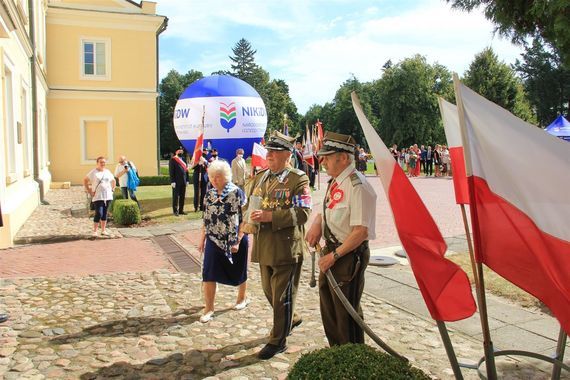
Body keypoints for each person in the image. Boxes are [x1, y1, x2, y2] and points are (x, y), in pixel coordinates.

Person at [244, 130, 311, 360]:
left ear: (286, 154)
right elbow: (251, 204)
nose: (269, 154)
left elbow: (303, 213)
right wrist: (246, 220)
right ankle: (290, 318)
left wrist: (270, 217)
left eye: (273, 151)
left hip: (286, 248)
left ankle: (277, 341)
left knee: (282, 297)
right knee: (268, 291)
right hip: (263, 246)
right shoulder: (261, 177)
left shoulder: (298, 178)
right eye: (268, 150)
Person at [305, 132, 377, 346]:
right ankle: (336, 353)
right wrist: (318, 221)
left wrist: (334, 256)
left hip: (347, 256)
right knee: (330, 311)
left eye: (327, 156)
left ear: (344, 158)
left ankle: (352, 359)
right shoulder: (336, 182)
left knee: (346, 315)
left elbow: (360, 231)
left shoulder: (358, 186)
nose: (322, 161)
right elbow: (330, 210)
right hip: (333, 253)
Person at [197, 160, 249, 323]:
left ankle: (242, 298)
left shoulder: (237, 192)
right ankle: (209, 307)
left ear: (226, 176)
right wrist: (202, 239)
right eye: (211, 177)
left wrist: (238, 240)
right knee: (208, 272)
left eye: (217, 177)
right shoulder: (209, 193)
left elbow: (245, 218)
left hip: (234, 239)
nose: (214, 180)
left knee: (239, 269)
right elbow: (205, 218)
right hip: (213, 238)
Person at [84, 156, 116, 237]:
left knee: (105, 213)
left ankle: (103, 230)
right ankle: (95, 231)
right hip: (98, 196)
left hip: (107, 196)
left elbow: (113, 180)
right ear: (97, 163)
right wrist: (89, 190)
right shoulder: (93, 172)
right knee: (99, 213)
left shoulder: (107, 171)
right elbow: (85, 180)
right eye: (101, 162)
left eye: (104, 162)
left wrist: (113, 189)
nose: (103, 164)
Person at [169, 147, 189, 216]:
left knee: (182, 196)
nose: (181, 152)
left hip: (183, 181)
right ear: (176, 152)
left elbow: (186, 171)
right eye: (179, 151)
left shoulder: (184, 159)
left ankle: (181, 210)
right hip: (176, 182)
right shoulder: (173, 159)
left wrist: (187, 180)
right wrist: (172, 181)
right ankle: (175, 211)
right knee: (175, 197)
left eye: (181, 151)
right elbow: (171, 171)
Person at [192, 148, 209, 212]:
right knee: (196, 192)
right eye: (205, 151)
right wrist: (198, 163)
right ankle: (196, 206)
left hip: (204, 177)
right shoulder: (196, 158)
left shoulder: (206, 159)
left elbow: (209, 166)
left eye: (207, 151)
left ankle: (202, 206)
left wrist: (204, 162)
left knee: (204, 193)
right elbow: (192, 166)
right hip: (197, 176)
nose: (206, 152)